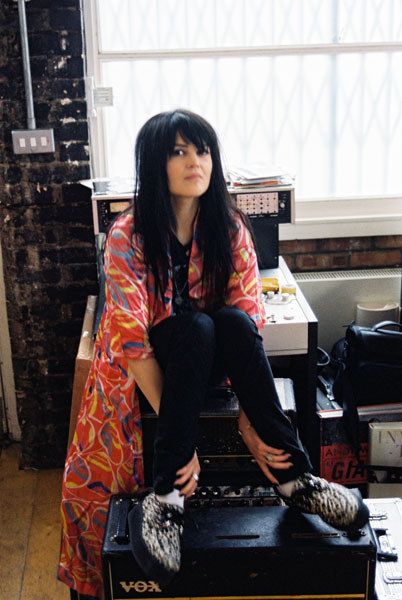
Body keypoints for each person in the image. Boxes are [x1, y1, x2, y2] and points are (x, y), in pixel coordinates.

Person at [58, 109, 369, 598]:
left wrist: (248, 415)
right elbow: (132, 342)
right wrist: (183, 432)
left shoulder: (229, 226)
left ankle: (295, 478)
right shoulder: (127, 235)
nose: (194, 161)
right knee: (197, 328)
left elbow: (248, 316)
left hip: (207, 366)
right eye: (178, 151)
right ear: (153, 164)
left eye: (201, 150)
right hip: (140, 374)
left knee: (230, 321)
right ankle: (166, 496)